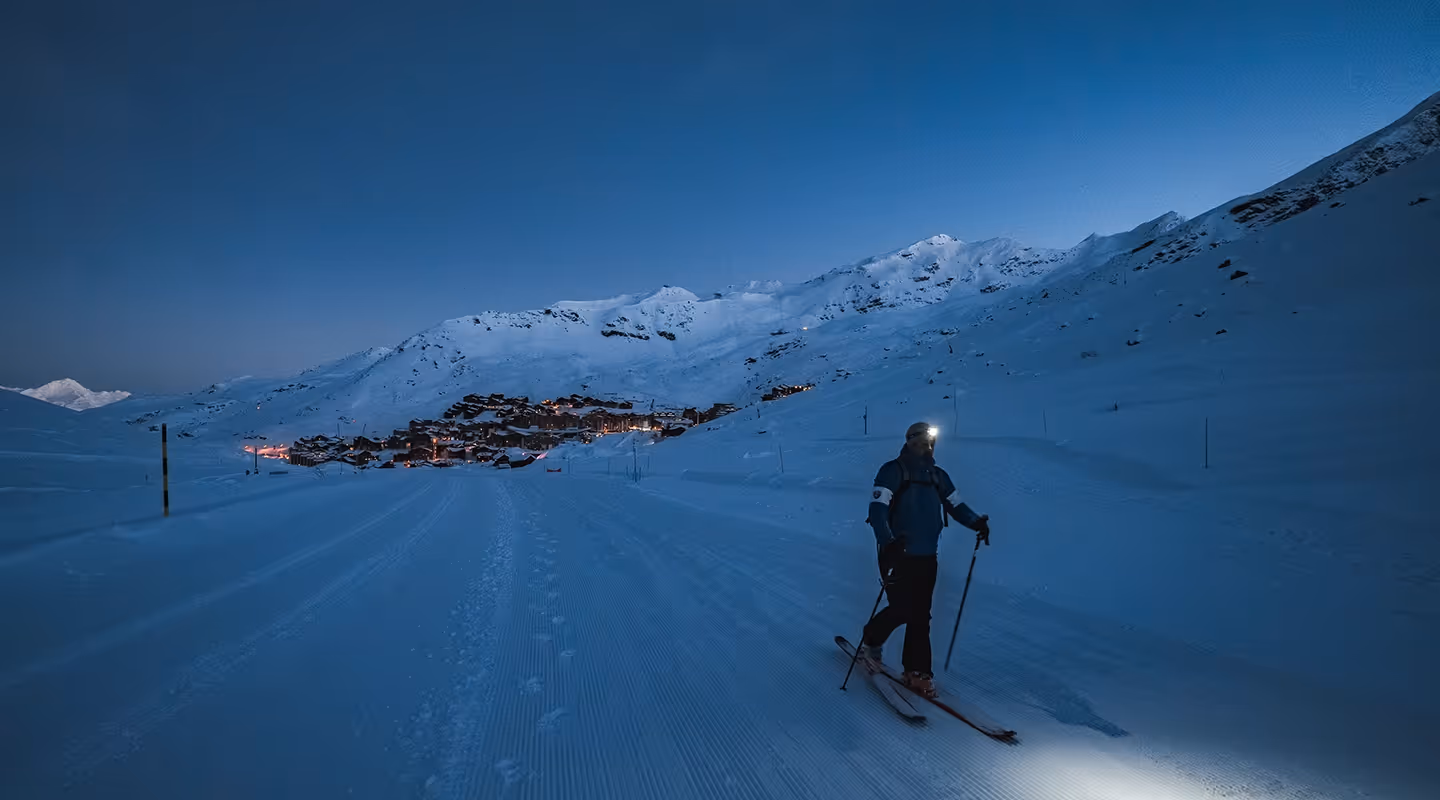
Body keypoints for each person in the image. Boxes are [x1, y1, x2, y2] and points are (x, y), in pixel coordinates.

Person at [859, 421, 990, 698]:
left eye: (928, 443)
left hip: (927, 556)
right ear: (908, 442)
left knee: (921, 614)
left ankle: (917, 672)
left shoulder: (938, 476)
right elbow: (877, 509)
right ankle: (871, 639)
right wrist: (888, 542)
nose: (924, 447)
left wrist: (976, 522)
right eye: (918, 441)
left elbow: (956, 505)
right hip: (896, 553)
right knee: (903, 608)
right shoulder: (893, 470)